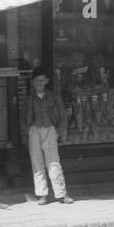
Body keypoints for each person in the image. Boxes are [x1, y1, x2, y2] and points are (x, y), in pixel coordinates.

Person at [24, 67, 73, 205]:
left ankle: (61, 194)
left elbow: (63, 116)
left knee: (53, 162)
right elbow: (24, 118)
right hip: (34, 131)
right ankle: (42, 195)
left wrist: (59, 131)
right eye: (36, 80)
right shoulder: (29, 99)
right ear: (32, 82)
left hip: (50, 130)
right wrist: (28, 131)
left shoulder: (54, 97)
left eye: (42, 80)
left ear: (46, 81)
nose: (39, 83)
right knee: (37, 162)